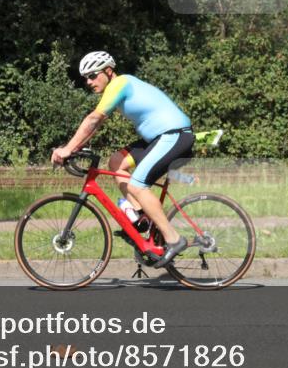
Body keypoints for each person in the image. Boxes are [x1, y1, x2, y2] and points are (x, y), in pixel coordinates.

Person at [50, 51, 195, 267]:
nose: (89, 82)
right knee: (117, 162)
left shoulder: (121, 83)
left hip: (174, 135)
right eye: (86, 78)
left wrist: (67, 149)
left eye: (93, 75)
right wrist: (73, 148)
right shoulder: (116, 88)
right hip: (158, 138)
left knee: (137, 185)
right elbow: (95, 125)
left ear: (109, 71)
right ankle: (141, 217)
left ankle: (174, 240)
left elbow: (93, 119)